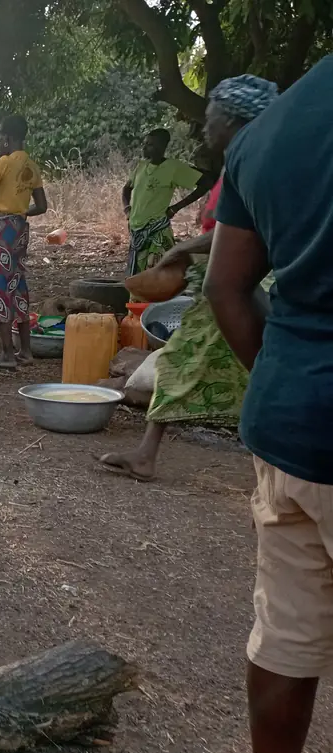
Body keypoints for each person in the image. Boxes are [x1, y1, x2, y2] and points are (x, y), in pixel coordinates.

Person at [203, 56, 333, 753]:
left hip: (288, 426)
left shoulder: (273, 130)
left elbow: (226, 286)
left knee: (286, 630)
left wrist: (290, 382)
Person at [98, 75, 278, 482]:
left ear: (233, 119)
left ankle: (281, 458)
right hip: (223, 286)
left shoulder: (254, 164)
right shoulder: (241, 163)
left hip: (240, 288)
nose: (204, 127)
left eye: (210, 117)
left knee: (244, 366)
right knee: (197, 362)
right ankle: (147, 454)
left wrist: (182, 249)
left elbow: (246, 230)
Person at [0, 114, 48, 368]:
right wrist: (18, 212)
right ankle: (25, 351)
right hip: (19, 230)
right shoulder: (32, 167)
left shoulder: (3, 163)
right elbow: (42, 206)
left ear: (6, 139)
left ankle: (6, 354)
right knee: (17, 284)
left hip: (1, 230)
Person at [123, 128, 214, 276]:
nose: (144, 148)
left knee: (159, 275)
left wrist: (175, 208)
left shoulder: (173, 167)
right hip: (136, 230)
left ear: (162, 147)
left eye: (150, 145)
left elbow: (206, 183)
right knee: (139, 276)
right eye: (145, 144)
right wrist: (127, 209)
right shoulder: (141, 166)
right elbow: (126, 189)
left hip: (157, 230)